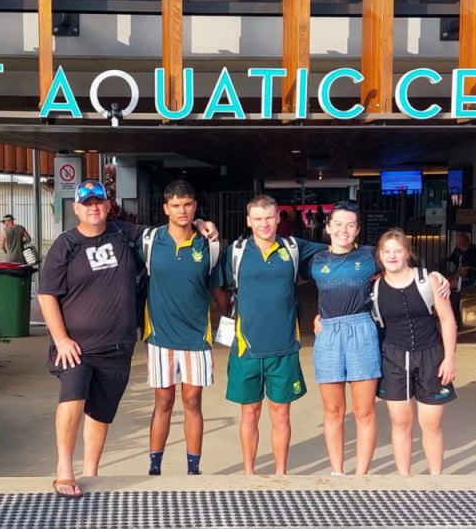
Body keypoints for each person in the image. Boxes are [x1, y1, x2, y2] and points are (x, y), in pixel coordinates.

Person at [38, 180, 218, 499]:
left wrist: (202, 223)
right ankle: (64, 470)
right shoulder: (66, 244)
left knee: (101, 412)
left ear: (108, 206)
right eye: (87, 203)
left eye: (99, 202)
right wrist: (61, 338)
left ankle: (91, 473)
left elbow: (169, 230)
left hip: (118, 345)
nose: (93, 207)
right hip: (77, 346)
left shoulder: (125, 234)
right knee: (73, 399)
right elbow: (47, 294)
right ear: (76, 208)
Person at [310, 203, 450, 476]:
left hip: (362, 332)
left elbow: (398, 261)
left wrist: (434, 275)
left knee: (364, 411)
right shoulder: (313, 258)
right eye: (338, 224)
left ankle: (361, 475)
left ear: (358, 229)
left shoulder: (369, 255)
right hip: (329, 335)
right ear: (327, 227)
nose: (343, 230)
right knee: (333, 410)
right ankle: (337, 473)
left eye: (351, 225)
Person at [212, 194, 324, 475]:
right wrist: (229, 314)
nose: (264, 224)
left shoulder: (294, 247)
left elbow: (337, 250)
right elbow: (218, 286)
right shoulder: (235, 252)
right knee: (249, 414)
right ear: (249, 221)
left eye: (269, 218)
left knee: (281, 414)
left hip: (284, 348)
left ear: (278, 219)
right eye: (258, 219)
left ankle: (280, 474)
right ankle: (249, 473)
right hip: (245, 349)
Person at [142, 179, 220, 477]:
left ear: (195, 206)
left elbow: (217, 285)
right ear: (165, 208)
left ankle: (193, 469)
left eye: (187, 204)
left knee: (192, 401)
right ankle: (154, 467)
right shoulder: (150, 241)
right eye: (175, 205)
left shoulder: (207, 243)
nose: (182, 210)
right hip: (160, 337)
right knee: (163, 402)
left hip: (197, 337)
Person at [375, 228, 457, 475]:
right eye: (387, 251)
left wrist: (449, 359)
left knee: (431, 424)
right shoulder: (375, 288)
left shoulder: (428, 281)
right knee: (400, 423)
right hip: (394, 358)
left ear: (407, 253)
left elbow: (447, 320)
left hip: (431, 356)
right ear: (379, 255)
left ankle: (435, 480)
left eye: (397, 251)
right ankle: (404, 480)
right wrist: (319, 318)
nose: (392, 256)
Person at [446, 232, 476, 329]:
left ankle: (451, 318)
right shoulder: (461, 252)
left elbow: (464, 271)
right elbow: (459, 269)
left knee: (447, 286)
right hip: (464, 277)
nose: (457, 243)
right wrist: (452, 277)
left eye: (458, 241)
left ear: (463, 242)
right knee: (445, 283)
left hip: (472, 279)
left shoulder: (470, 252)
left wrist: (453, 279)